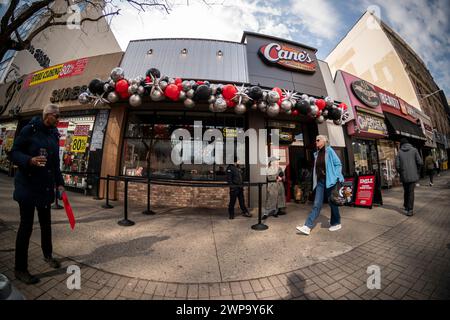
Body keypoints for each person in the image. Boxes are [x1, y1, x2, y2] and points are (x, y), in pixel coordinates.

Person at [10, 104, 65, 284]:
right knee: (26, 227)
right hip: (27, 186)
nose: (59, 120)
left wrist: (60, 184)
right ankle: (20, 269)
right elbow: (14, 153)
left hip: (45, 188)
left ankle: (48, 255)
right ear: (48, 115)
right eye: (56, 117)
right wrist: (29, 160)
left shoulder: (54, 134)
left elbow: (55, 163)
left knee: (46, 224)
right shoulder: (29, 130)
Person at [296, 135, 344, 235]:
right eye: (316, 140)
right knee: (316, 204)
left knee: (332, 202)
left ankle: (336, 223)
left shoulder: (329, 151)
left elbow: (338, 164)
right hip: (320, 182)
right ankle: (307, 227)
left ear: (324, 141)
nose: (316, 142)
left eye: (318, 140)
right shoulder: (317, 154)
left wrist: (336, 176)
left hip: (330, 181)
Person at [395, 138, 423, 217]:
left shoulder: (399, 152)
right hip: (413, 175)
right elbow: (420, 162)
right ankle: (410, 209)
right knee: (411, 192)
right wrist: (417, 171)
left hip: (404, 175)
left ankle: (406, 206)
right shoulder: (414, 150)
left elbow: (397, 165)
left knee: (406, 191)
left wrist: (401, 172)